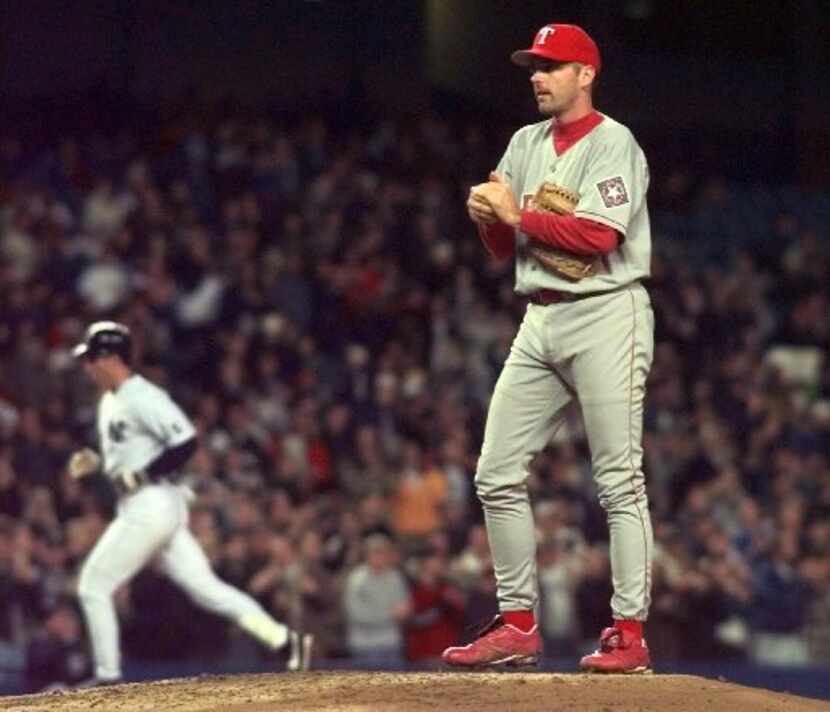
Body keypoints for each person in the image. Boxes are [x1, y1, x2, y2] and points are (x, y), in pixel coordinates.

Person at [441, 23, 654, 673]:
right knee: (495, 472)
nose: (537, 76)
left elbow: (596, 236)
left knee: (618, 480)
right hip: (540, 316)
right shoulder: (523, 142)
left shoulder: (615, 143)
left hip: (605, 314)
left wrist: (514, 216)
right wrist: (490, 224)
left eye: (551, 66)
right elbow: (507, 246)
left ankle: (629, 633)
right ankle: (517, 622)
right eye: (534, 66)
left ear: (585, 74)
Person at [68, 321, 313, 686]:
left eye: (92, 358)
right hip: (150, 504)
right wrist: (100, 464)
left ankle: (107, 677)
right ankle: (285, 641)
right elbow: (132, 457)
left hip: (150, 505)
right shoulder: (110, 400)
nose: (87, 366)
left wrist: (143, 474)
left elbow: (185, 442)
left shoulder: (142, 395)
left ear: (111, 358)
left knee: (93, 586)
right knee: (206, 588)